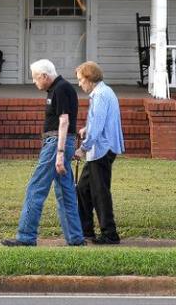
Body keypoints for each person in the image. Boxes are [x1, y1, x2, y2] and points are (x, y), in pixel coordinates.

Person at [2, 59, 85, 247]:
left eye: (35, 78)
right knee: (65, 192)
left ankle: (25, 237)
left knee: (36, 188)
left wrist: (60, 153)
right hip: (59, 143)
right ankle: (75, 238)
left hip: (56, 144)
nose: (34, 82)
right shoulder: (57, 88)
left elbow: (64, 121)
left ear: (45, 76)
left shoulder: (61, 89)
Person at [73, 61, 124, 244]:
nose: (79, 84)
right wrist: (87, 128)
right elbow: (98, 121)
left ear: (89, 78)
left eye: (80, 80)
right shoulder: (104, 92)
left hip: (102, 149)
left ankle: (110, 234)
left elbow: (97, 126)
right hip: (103, 148)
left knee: (99, 192)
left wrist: (82, 148)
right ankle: (86, 230)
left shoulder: (101, 95)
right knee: (83, 189)